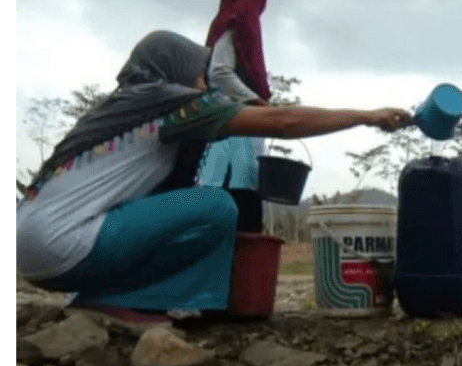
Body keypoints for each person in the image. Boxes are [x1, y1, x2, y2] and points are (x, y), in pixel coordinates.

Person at [16, 30, 410, 331]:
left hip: (31, 247)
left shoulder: (119, 110)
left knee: (181, 204)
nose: (205, 88)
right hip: (62, 245)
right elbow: (282, 122)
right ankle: (120, 301)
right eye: (200, 77)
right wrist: (365, 116)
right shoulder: (172, 104)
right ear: (175, 71)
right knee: (215, 206)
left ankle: (103, 296)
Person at [198, 0, 272, 232]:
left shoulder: (230, 25)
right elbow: (219, 73)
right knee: (239, 211)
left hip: (236, 133)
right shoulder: (235, 23)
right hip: (233, 132)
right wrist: (257, 102)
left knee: (231, 205)